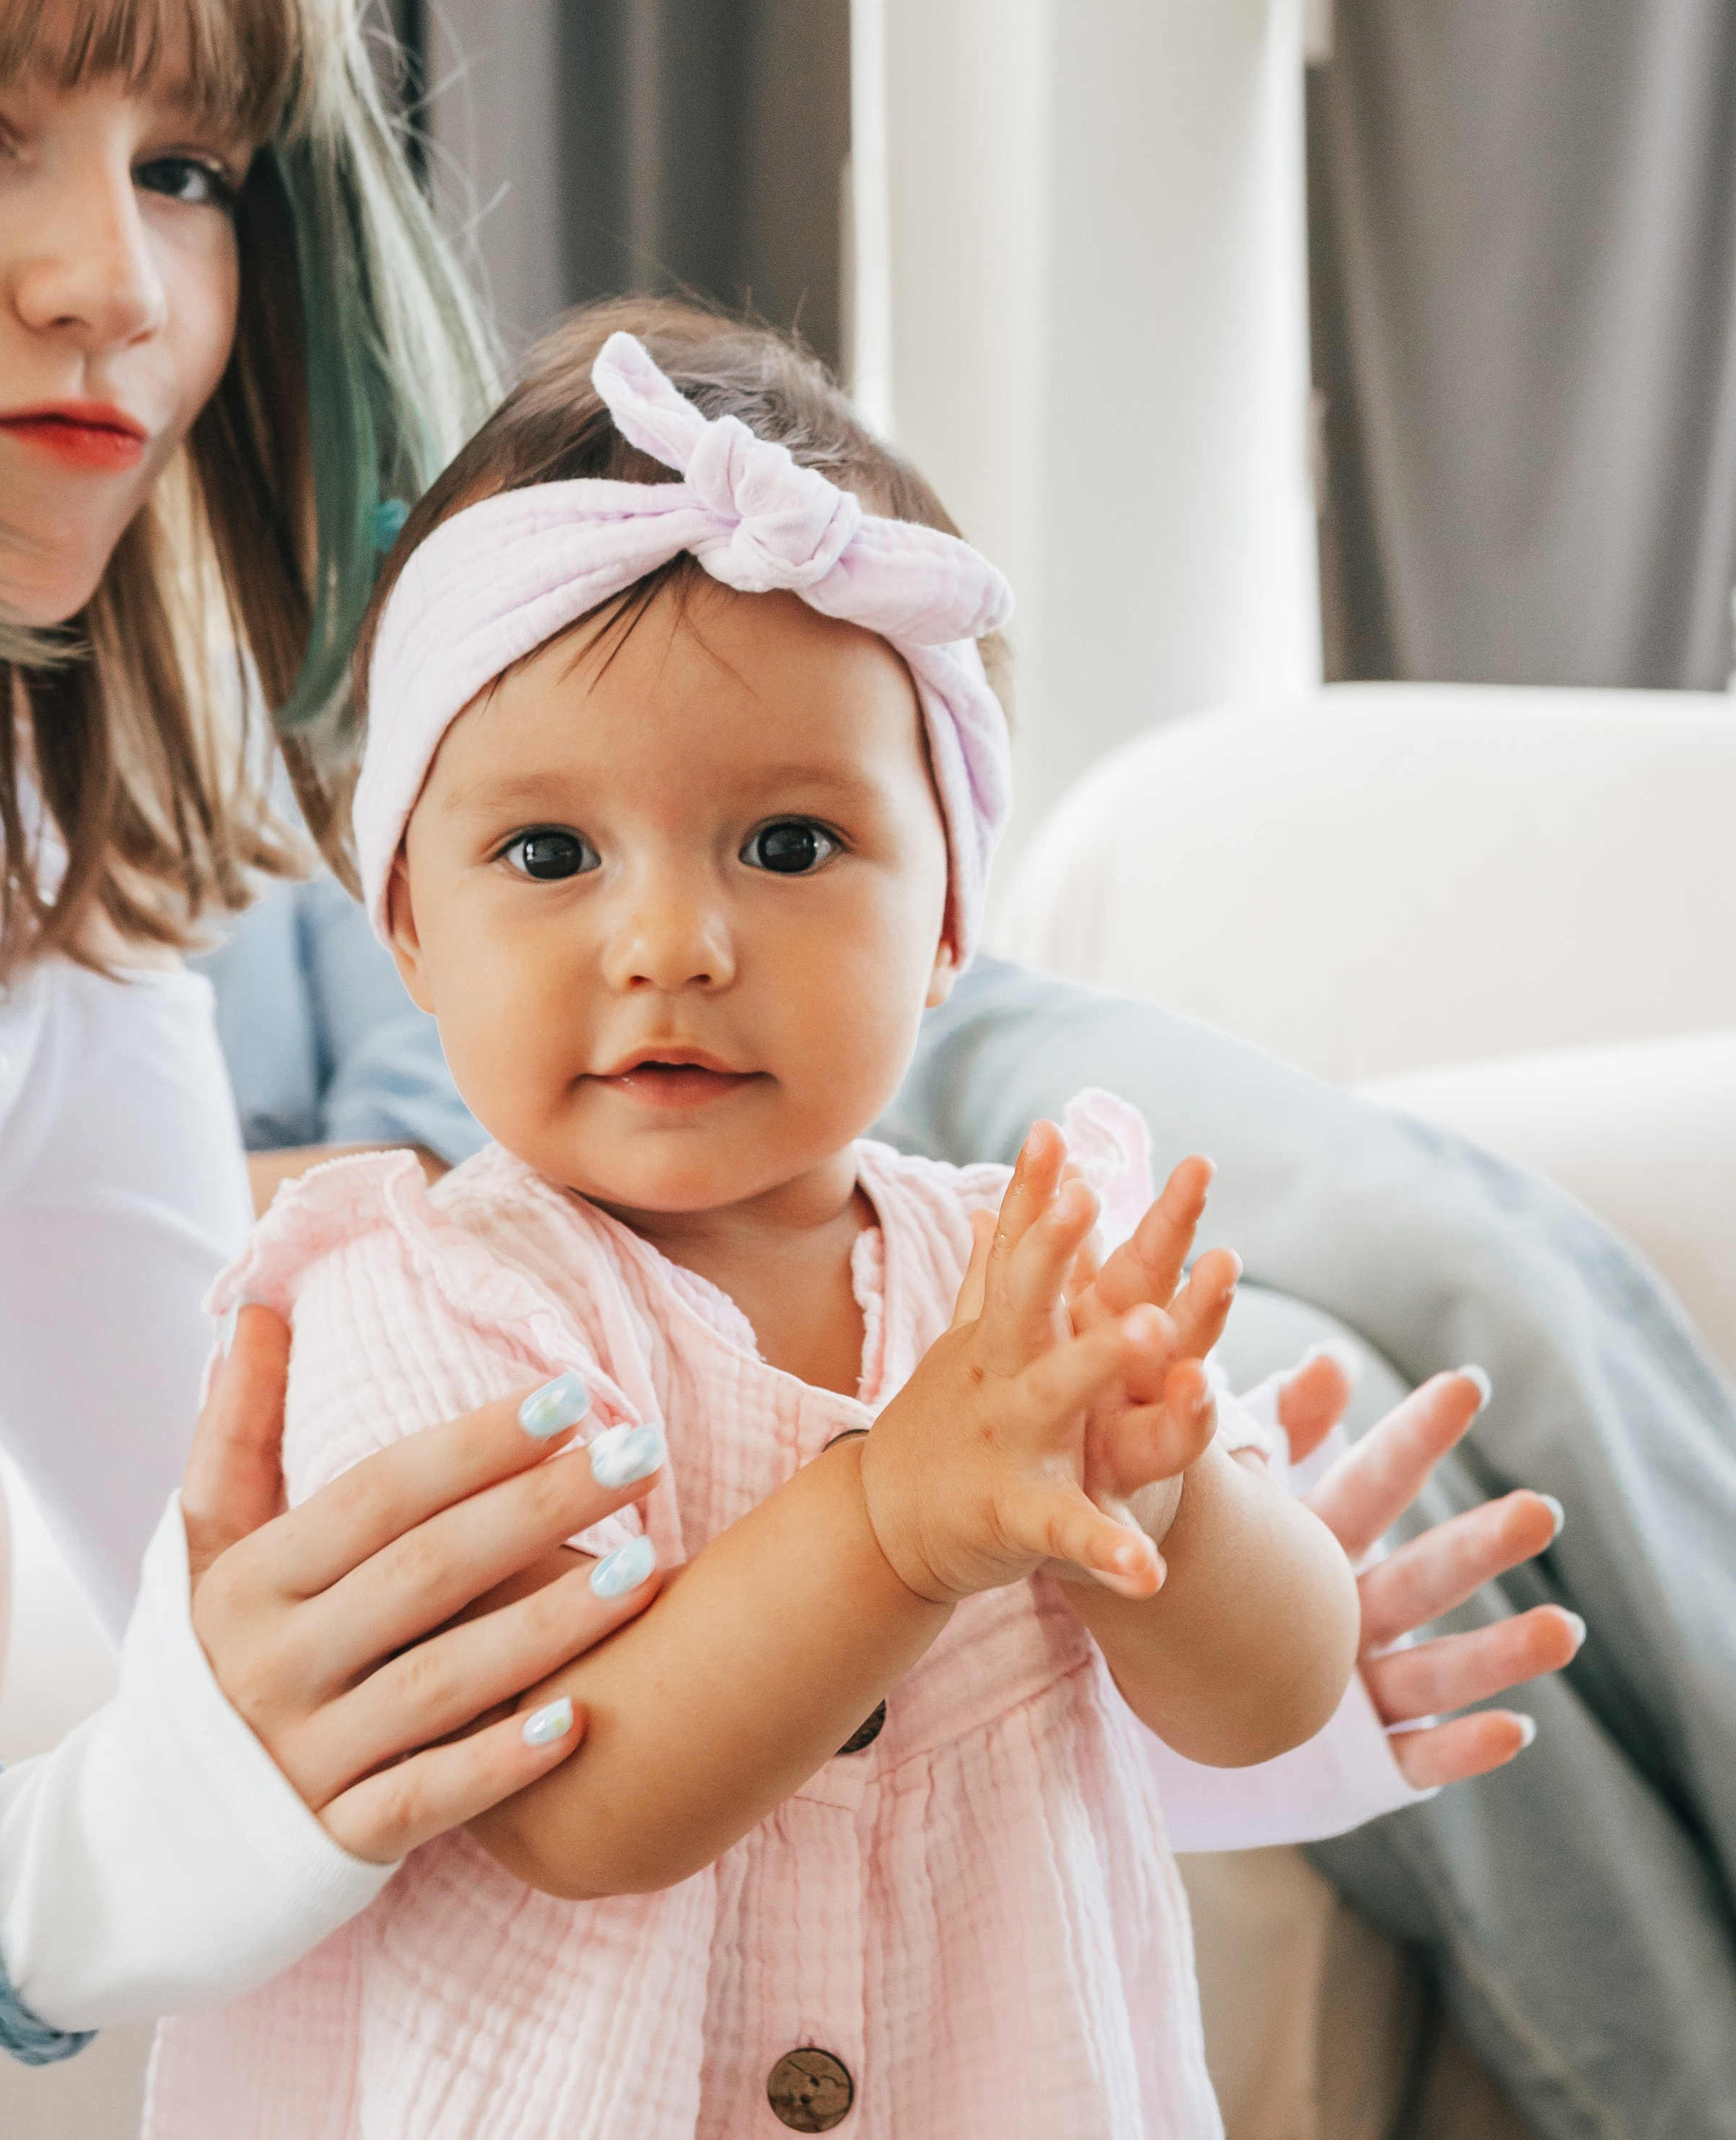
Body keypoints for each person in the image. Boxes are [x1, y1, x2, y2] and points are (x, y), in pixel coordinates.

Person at [146, 308, 1578, 2140]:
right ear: (410, 925)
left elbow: (1263, 1702)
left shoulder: (1029, 1263)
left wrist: (1170, 1512)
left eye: (792, 845)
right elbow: (573, 1808)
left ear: (953, 916)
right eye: (550, 856)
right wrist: (899, 1517)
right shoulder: (418, 1308)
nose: (671, 943)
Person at [0, 0, 676, 2073]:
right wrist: (69, 1885)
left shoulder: (24, 850)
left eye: (188, 170)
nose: (114, 287)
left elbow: (277, 1530)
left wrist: (1116, 1590)